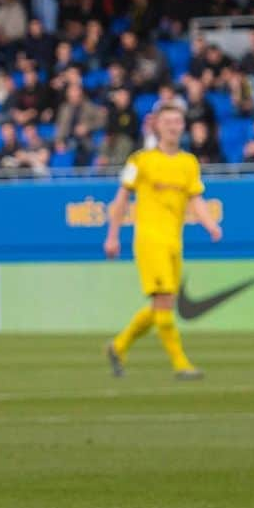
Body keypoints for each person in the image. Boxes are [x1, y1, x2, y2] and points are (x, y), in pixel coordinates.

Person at [102, 100, 222, 379]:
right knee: (166, 302)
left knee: (160, 306)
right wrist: (112, 236)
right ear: (156, 125)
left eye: (177, 122)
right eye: (167, 121)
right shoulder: (140, 160)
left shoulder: (188, 163)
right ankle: (181, 364)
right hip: (149, 240)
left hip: (174, 242)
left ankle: (118, 346)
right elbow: (121, 199)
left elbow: (197, 199)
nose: (173, 127)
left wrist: (210, 225)